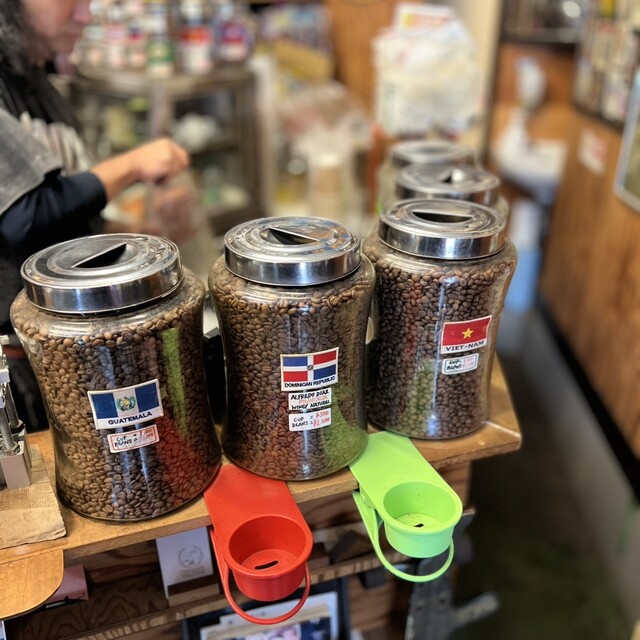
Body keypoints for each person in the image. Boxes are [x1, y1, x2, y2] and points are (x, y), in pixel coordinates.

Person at [0, 0, 191, 429]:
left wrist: (131, 236)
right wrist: (133, 165)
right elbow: (23, 216)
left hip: (80, 339)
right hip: (24, 356)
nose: (86, 15)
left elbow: (60, 222)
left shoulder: (38, 80)